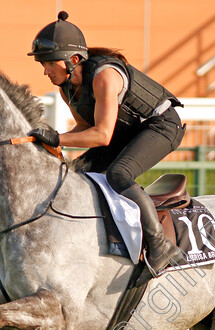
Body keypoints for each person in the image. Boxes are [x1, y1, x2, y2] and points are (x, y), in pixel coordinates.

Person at [27, 11, 186, 277]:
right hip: (126, 132)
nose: (45, 71)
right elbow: (84, 128)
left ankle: (160, 244)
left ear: (73, 60)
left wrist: (59, 139)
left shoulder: (104, 76)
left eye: (49, 63)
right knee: (76, 172)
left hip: (161, 126)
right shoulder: (66, 87)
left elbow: (101, 136)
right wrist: (53, 139)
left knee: (119, 173)